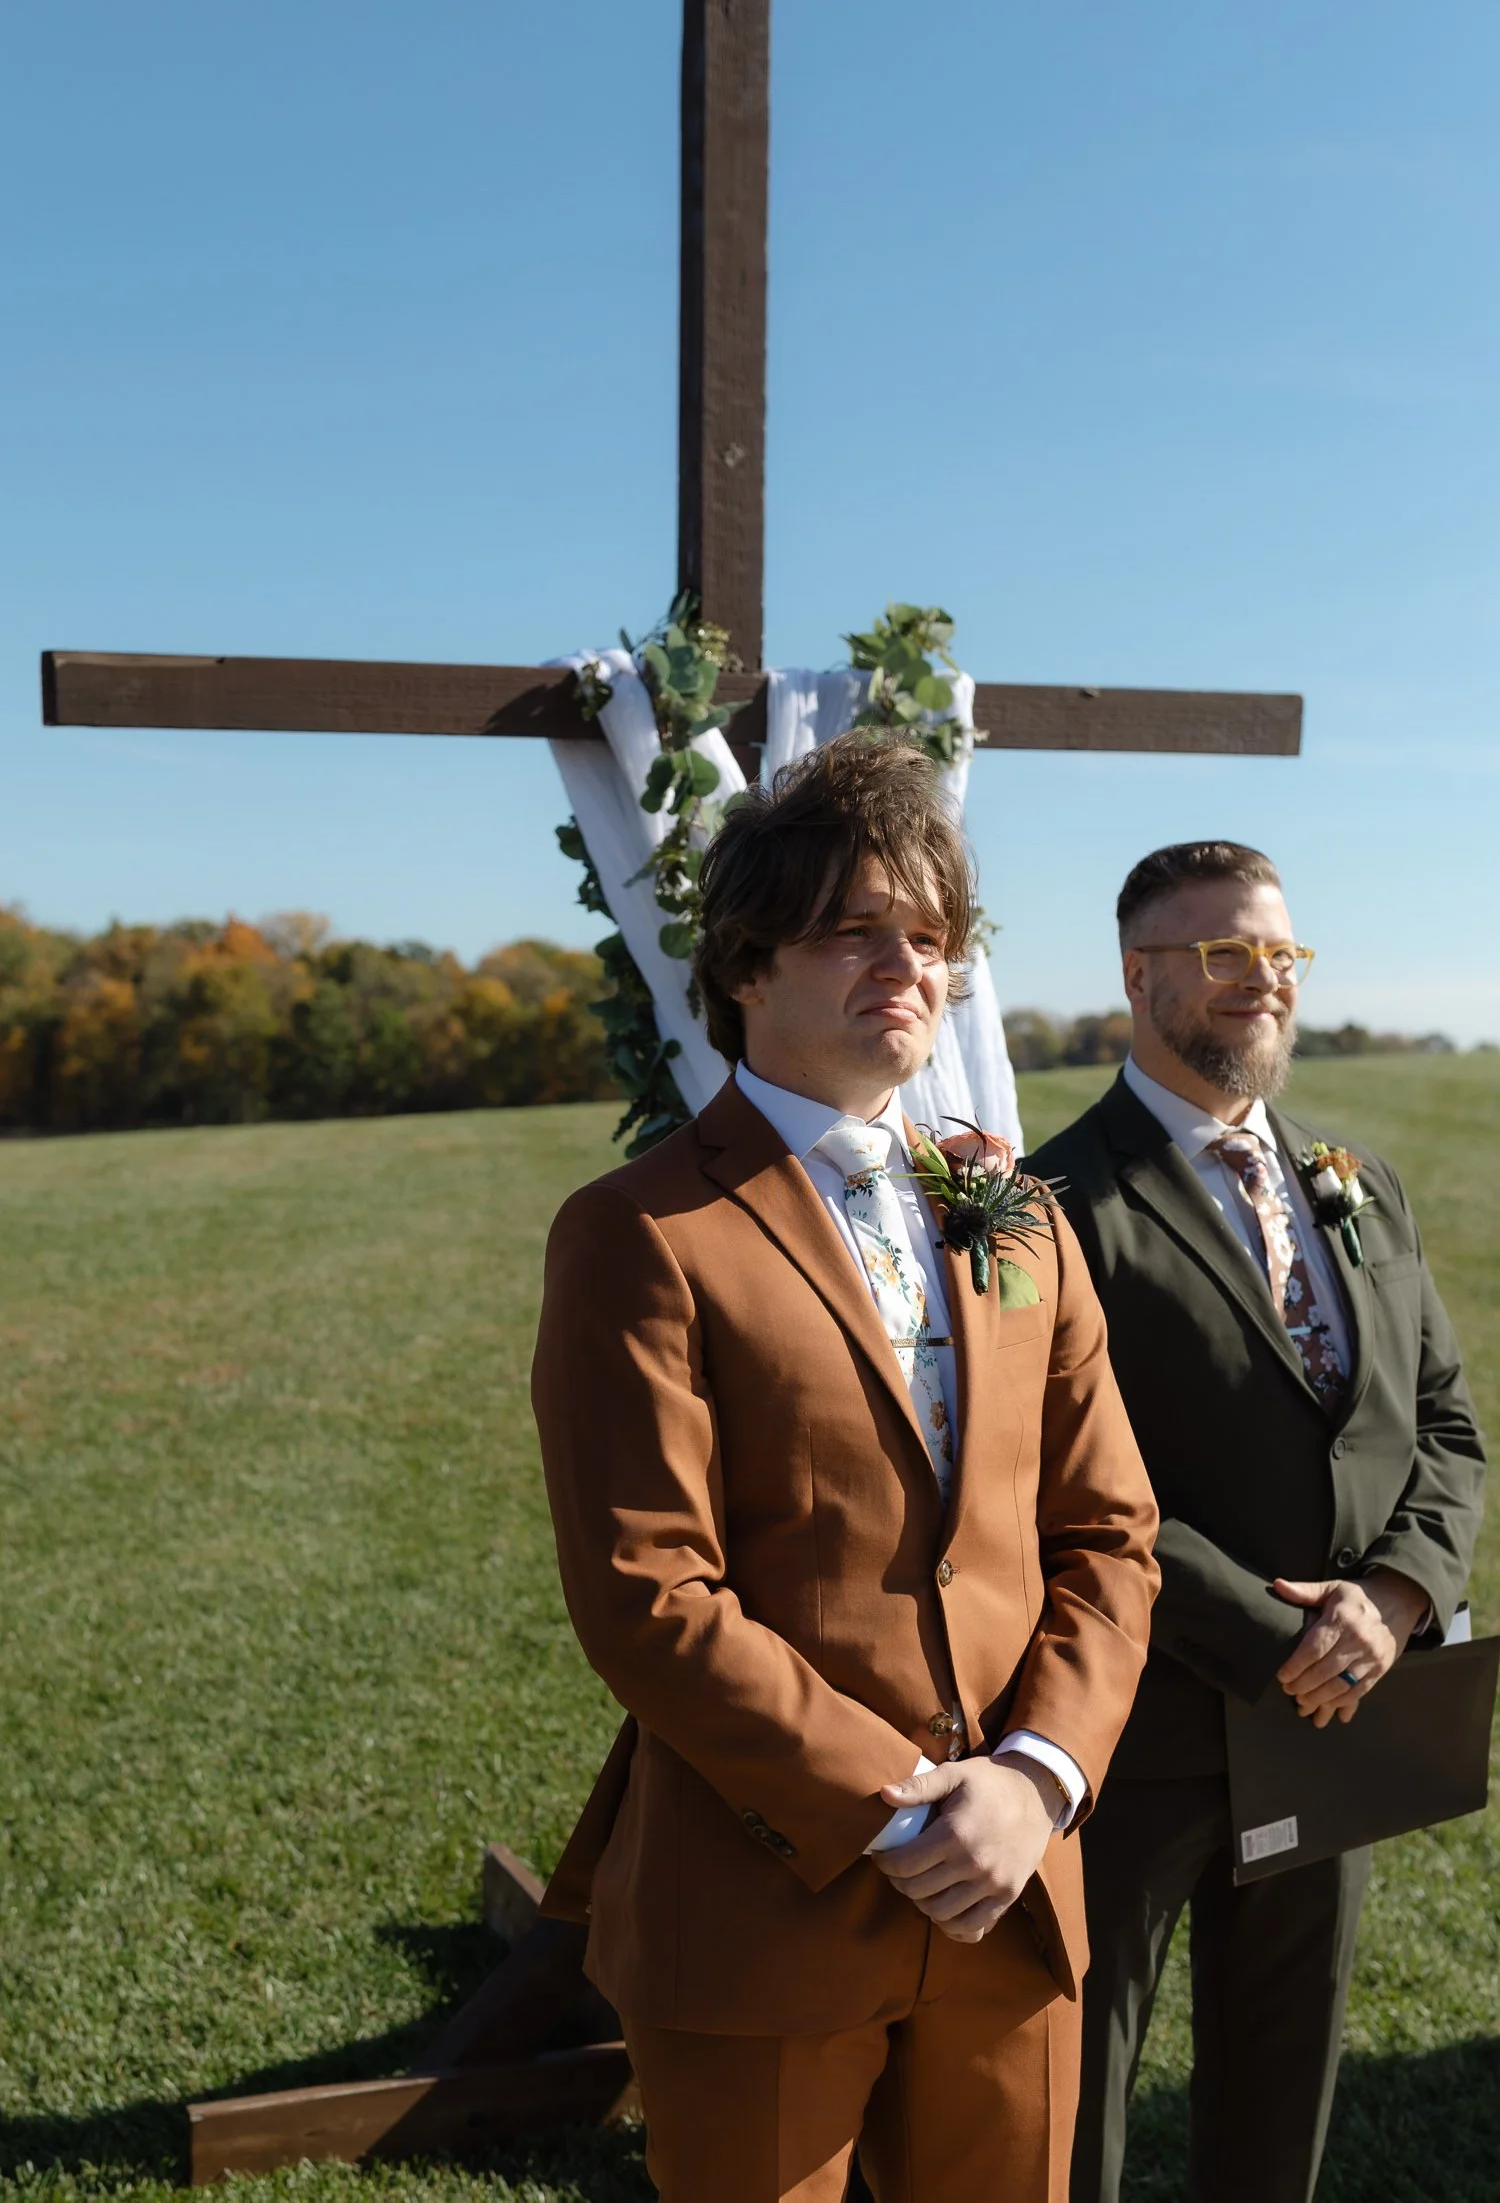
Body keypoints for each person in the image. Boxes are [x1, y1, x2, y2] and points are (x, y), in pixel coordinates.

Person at [531, 732, 1159, 2203]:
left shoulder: (1013, 1210)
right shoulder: (642, 1232)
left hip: (1013, 1888)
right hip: (764, 1898)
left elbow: (1111, 1530)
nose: (907, 965)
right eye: (853, 929)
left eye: (930, 936)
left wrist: (1035, 1779)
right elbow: (648, 1592)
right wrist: (895, 1803)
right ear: (746, 965)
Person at [1023, 840, 1486, 2203]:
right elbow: (1063, 1477)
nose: (1261, 981)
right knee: (1076, 2098)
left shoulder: (1361, 1182)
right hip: (1141, 1722)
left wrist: (1394, 1598)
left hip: (1341, 1715)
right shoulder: (1058, 1208)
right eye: (1224, 953)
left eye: (1280, 954)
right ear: (1139, 974)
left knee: (1281, 2093)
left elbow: (1445, 1423)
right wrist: (1279, 1630)